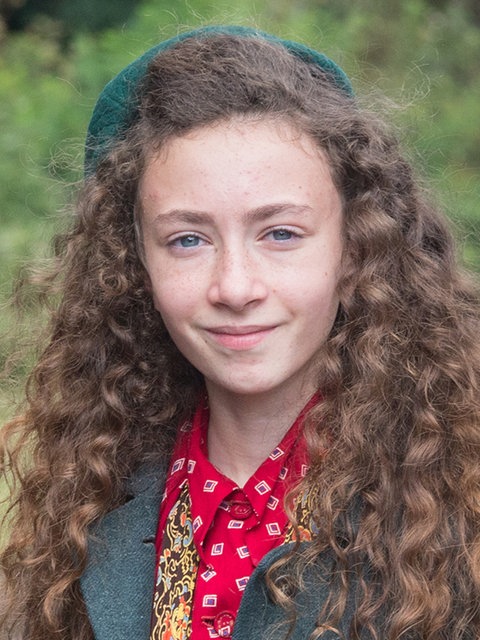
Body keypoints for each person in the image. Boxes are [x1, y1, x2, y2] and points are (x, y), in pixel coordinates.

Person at [1, 24, 480, 640]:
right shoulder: (86, 506)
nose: (234, 286)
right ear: (137, 264)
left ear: (356, 245)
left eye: (280, 233)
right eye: (188, 240)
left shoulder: (455, 502)